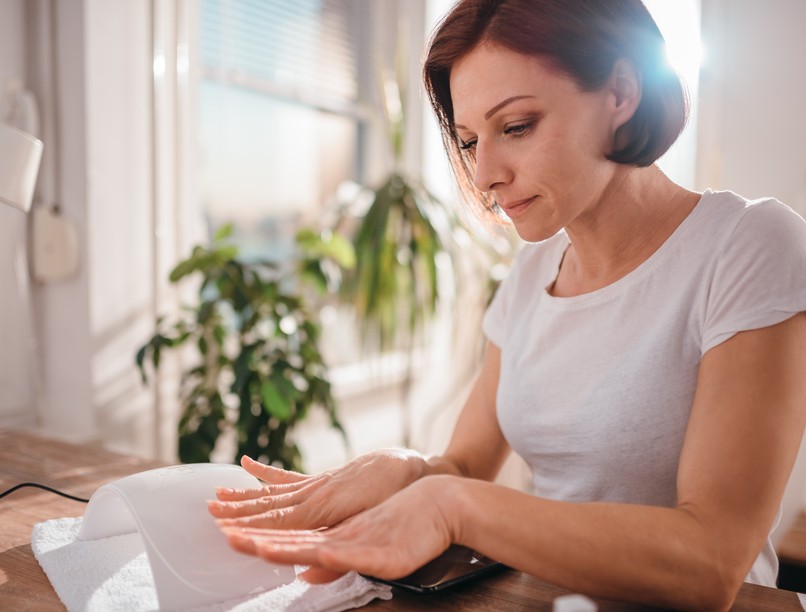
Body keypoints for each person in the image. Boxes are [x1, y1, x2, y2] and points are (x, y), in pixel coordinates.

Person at [206, 0, 806, 608]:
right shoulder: (531, 272)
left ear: (621, 91)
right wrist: (409, 468)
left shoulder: (748, 246)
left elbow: (712, 562)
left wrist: (454, 506)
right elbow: (466, 466)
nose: (485, 173)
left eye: (516, 126)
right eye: (469, 141)